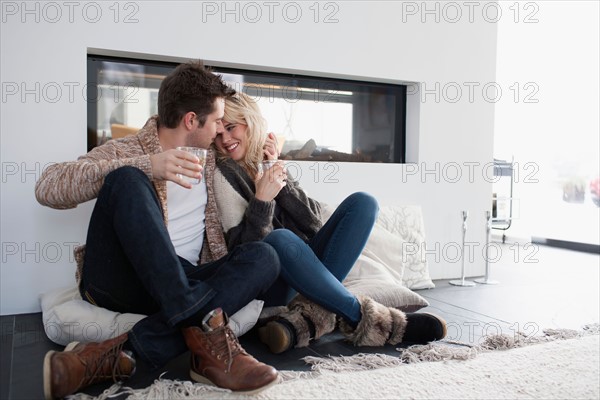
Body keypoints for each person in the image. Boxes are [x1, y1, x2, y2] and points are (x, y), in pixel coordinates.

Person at [35, 62, 281, 399]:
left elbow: (249, 154)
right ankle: (208, 336)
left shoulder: (210, 156)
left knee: (265, 256)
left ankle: (122, 354)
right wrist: (147, 166)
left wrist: (271, 161)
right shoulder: (127, 151)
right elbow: (48, 186)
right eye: (216, 121)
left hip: (184, 278)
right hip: (120, 280)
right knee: (126, 179)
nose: (220, 129)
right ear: (191, 120)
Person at [212, 92, 447, 354]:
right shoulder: (224, 174)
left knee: (363, 203)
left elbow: (313, 224)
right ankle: (378, 323)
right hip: (269, 284)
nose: (225, 141)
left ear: (251, 122)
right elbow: (244, 255)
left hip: (302, 271)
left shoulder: (267, 163)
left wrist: (281, 180)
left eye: (231, 128)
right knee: (280, 240)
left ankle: (306, 321)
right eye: (218, 135)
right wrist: (262, 202)